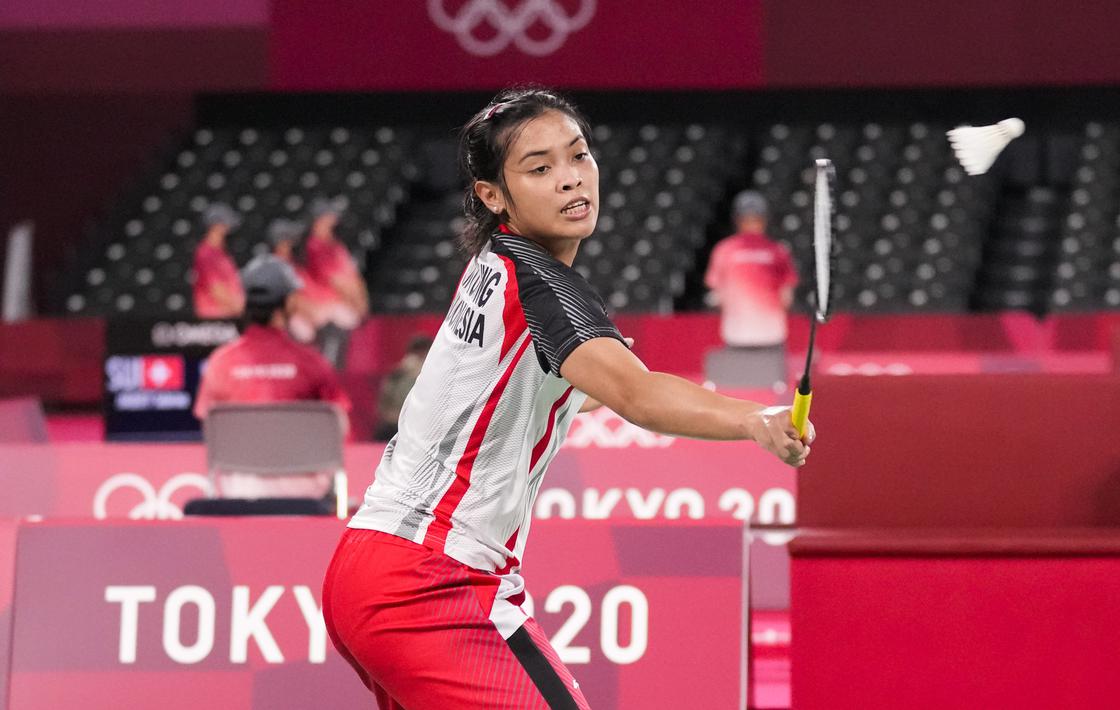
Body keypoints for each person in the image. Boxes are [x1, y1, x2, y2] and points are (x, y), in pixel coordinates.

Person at [322, 88, 814, 710]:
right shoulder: (543, 285)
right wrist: (755, 419)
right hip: (432, 578)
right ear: (491, 195)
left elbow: (499, 398)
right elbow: (637, 393)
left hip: (370, 564)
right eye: (540, 168)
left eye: (579, 156)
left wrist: (581, 390)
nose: (570, 179)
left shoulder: (494, 263)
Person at [195, 254, 352, 496]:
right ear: (288, 303)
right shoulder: (311, 361)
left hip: (238, 490)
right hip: (305, 493)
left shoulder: (220, 362)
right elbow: (339, 424)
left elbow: (208, 424)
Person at [705, 190, 799, 347]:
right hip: (764, 334)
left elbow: (717, 295)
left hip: (743, 334)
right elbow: (787, 297)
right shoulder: (778, 249)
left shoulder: (724, 249)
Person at [305, 196, 369, 367]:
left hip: (345, 309)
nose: (334, 218)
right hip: (326, 312)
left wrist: (361, 301)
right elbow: (335, 281)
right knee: (328, 362)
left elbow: (353, 276)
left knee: (340, 361)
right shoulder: (314, 246)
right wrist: (356, 301)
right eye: (330, 215)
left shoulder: (336, 245)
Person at [373, 335, 433, 442]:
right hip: (396, 425)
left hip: (425, 426)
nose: (417, 359)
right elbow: (384, 406)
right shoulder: (397, 375)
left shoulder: (435, 375)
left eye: (423, 355)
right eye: (416, 354)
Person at [191, 203, 244, 319]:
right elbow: (217, 290)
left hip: (228, 316)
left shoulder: (222, 253)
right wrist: (241, 309)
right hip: (216, 319)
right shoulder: (206, 253)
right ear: (216, 225)